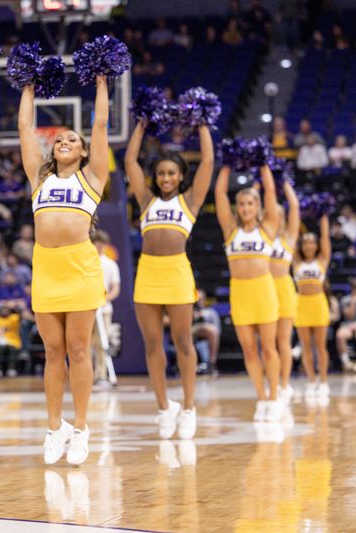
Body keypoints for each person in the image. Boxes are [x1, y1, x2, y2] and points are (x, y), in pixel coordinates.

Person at [18, 72, 111, 464]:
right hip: (47, 269)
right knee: (53, 351)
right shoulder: (39, 179)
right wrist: (27, 83)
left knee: (78, 349)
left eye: (72, 140)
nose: (64, 142)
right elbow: (25, 126)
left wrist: (102, 80)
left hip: (81, 268)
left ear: (85, 152)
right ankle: (54, 428)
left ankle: (81, 426)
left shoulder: (93, 178)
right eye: (59, 139)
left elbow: (101, 124)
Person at [125, 114, 214, 437]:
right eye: (161, 173)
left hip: (177, 272)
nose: (165, 178)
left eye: (171, 173)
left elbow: (207, 161)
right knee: (152, 345)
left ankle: (189, 407)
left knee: (184, 342)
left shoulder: (189, 201)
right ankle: (164, 408)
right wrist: (141, 125)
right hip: (147, 273)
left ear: (180, 176)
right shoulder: (146, 201)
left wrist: (202, 123)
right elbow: (131, 160)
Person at [215, 164, 281, 422]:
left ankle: (274, 398)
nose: (245, 209)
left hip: (264, 290)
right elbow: (219, 195)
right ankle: (261, 399)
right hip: (240, 292)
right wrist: (227, 165)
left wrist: (263, 166)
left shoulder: (268, 227)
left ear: (257, 206)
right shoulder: (231, 229)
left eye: (250, 204)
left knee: (268, 348)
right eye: (241, 204)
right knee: (250, 350)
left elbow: (271, 192)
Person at [294, 215, 332, 400]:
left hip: (318, 303)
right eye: (305, 242)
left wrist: (323, 216)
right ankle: (311, 380)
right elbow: (291, 233)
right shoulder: (295, 262)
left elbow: (325, 236)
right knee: (306, 347)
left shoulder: (322, 260)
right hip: (301, 303)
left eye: (311, 242)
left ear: (317, 246)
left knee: (320, 346)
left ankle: (323, 381)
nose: (308, 246)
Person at [270, 180, 300, 405]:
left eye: (279, 214)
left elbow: (296, 208)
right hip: (264, 288)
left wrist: (286, 183)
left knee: (284, 341)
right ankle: (271, 382)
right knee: (268, 342)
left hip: (284, 289)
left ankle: (284, 384)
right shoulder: (261, 236)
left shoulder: (288, 237)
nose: (276, 218)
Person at [90, 230, 120, 388]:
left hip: (104, 309)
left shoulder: (110, 264)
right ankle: (85, 376)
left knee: (102, 344)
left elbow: (115, 288)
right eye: (97, 243)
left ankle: (100, 376)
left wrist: (104, 299)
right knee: (85, 344)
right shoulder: (85, 262)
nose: (99, 246)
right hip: (86, 308)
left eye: (102, 244)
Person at [336, 278, 356, 373]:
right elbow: (348, 315)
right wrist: (353, 303)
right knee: (340, 335)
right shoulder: (346, 300)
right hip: (348, 324)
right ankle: (346, 363)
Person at [0, 304, 22, 377]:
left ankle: (11, 369)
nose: (4, 311)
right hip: (0, 341)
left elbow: (20, 316)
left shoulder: (13, 318)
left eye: (6, 310)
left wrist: (15, 308)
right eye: (2, 310)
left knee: (12, 349)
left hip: (12, 341)